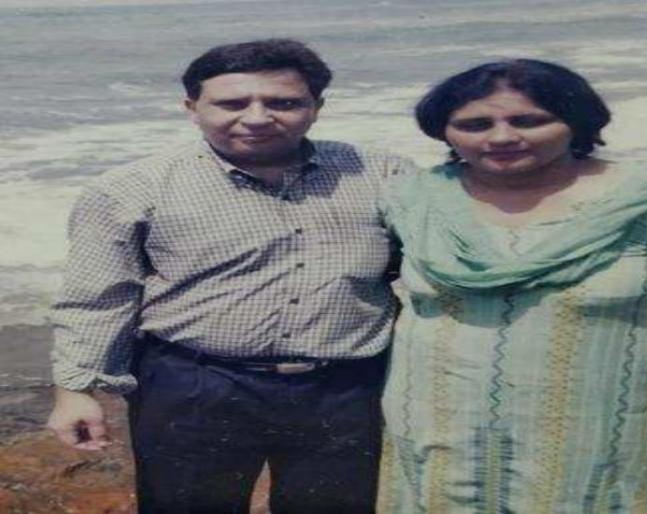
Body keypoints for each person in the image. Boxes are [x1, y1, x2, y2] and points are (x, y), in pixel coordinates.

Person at [46, 39, 413, 514]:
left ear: (317, 107)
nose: (257, 117)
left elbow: (430, 271)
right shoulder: (130, 188)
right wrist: (75, 391)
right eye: (232, 103)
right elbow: (99, 297)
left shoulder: (382, 174)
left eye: (283, 103)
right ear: (192, 108)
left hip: (344, 388)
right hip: (194, 385)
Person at [376, 59, 647, 513]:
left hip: (601, 423)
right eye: (474, 124)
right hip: (440, 421)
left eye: (529, 121)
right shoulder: (412, 199)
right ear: (444, 131)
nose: (501, 137)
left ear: (577, 121)